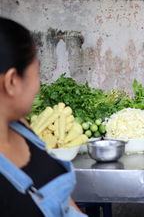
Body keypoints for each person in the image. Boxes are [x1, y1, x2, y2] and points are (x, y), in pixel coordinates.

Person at [0, 17, 86, 217]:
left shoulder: (21, 128)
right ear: (12, 81)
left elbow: (62, 202)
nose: (39, 86)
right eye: (36, 73)